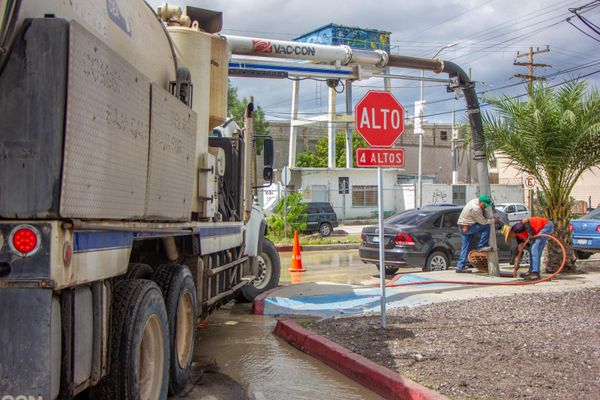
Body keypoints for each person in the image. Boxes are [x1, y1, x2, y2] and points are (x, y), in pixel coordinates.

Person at [456, 195, 498, 273]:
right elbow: (483, 222)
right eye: (484, 205)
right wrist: (493, 220)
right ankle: (481, 246)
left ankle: (460, 267)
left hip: (464, 226)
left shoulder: (475, 201)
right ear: (481, 202)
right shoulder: (476, 208)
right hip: (467, 227)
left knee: (465, 247)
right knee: (486, 227)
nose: (485, 207)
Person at [503, 217, 554, 281]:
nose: (511, 238)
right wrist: (517, 263)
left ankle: (535, 273)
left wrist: (530, 234)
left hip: (545, 226)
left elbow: (525, 220)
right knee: (532, 250)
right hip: (541, 229)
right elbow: (520, 249)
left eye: (509, 237)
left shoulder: (517, 228)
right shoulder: (518, 237)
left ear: (511, 232)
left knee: (534, 249)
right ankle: (531, 272)